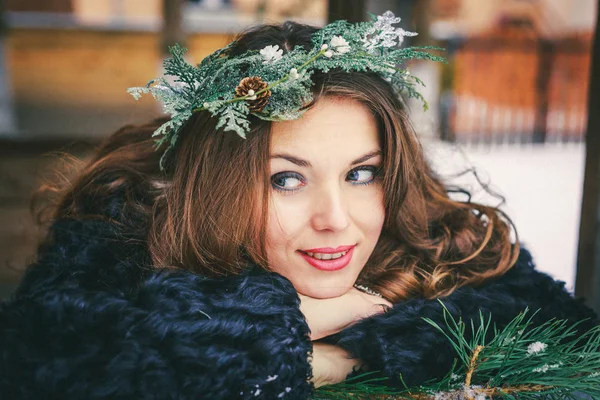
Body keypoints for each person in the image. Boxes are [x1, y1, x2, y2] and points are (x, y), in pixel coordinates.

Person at [0, 14, 597, 400]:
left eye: (362, 173)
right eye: (286, 180)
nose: (335, 217)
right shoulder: (116, 241)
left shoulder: (443, 243)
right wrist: (302, 332)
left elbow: (559, 334)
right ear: (220, 185)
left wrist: (359, 336)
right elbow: (61, 369)